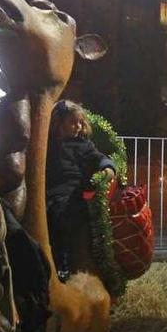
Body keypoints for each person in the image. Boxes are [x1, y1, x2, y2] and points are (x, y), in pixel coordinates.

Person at [46, 99, 115, 280]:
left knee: (67, 214)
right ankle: (55, 261)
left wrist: (107, 167)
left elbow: (98, 157)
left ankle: (66, 264)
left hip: (74, 192)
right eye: (72, 122)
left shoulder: (84, 145)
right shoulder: (48, 145)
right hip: (52, 191)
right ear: (59, 124)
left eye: (80, 122)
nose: (78, 126)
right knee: (53, 213)